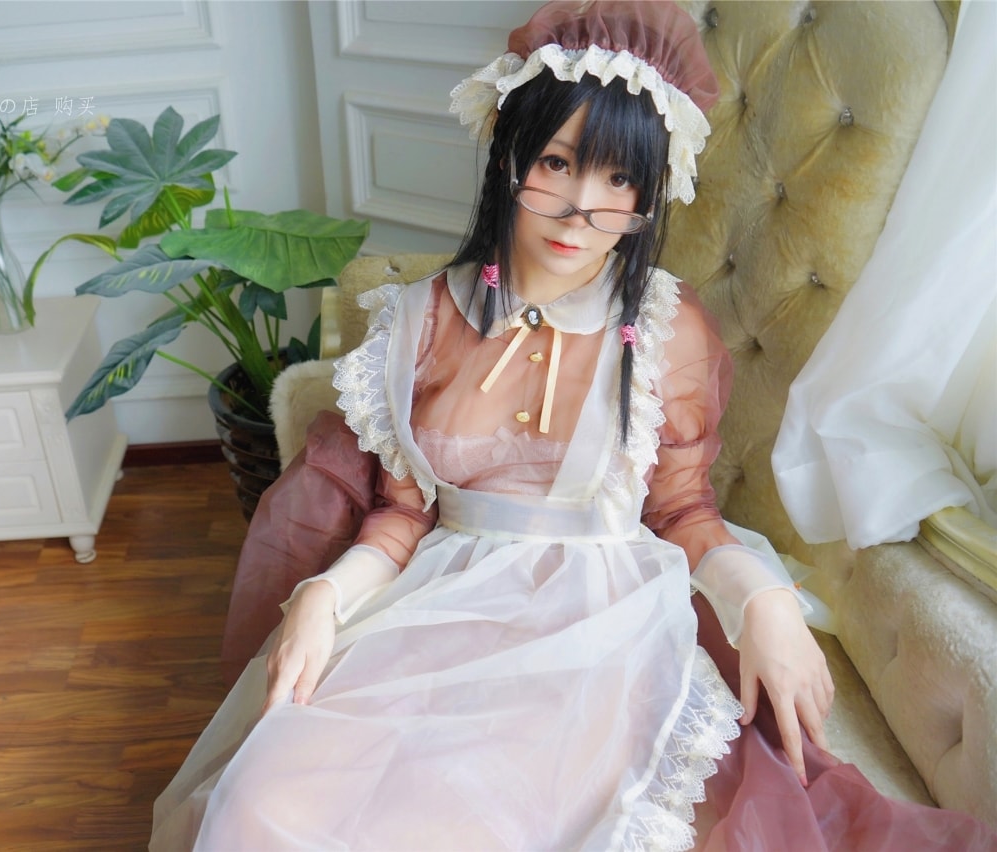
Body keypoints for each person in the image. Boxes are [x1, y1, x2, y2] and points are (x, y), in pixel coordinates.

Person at [152, 3, 996, 849]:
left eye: (618, 182)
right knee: (262, 807)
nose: (582, 211)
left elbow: (681, 511)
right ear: (508, 155)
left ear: (649, 192)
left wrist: (765, 602)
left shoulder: (664, 328)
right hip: (441, 606)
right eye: (556, 164)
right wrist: (325, 595)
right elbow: (402, 515)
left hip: (605, 622)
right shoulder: (415, 321)